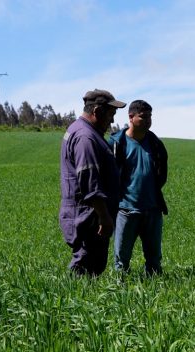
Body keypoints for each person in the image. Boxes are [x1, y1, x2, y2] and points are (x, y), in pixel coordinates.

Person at [59, 89, 126, 276]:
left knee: (90, 266)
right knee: (85, 266)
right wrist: (104, 216)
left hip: (88, 215)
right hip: (89, 217)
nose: (112, 121)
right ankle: (73, 303)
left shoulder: (81, 131)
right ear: (96, 111)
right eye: (110, 114)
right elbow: (90, 182)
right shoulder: (85, 137)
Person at [109, 100, 168, 275]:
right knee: (121, 260)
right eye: (143, 117)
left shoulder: (156, 144)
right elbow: (110, 176)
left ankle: (155, 293)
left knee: (154, 259)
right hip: (125, 210)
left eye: (150, 116)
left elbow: (162, 174)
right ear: (131, 117)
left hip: (152, 210)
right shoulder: (117, 143)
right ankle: (119, 294)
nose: (148, 120)